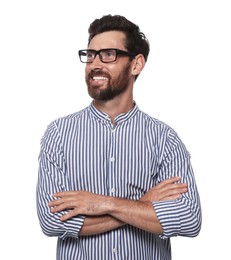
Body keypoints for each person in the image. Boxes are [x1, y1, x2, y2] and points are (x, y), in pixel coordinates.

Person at [36, 14, 202, 260]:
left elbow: (188, 219)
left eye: (108, 55)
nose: (94, 64)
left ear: (136, 64)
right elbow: (52, 221)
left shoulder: (164, 139)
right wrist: (144, 203)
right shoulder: (59, 134)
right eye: (90, 55)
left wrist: (102, 204)